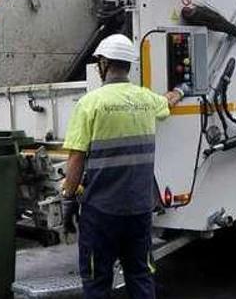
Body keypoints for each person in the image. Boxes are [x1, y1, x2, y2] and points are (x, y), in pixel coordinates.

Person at [60, 34, 185, 299]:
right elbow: (168, 102)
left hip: (101, 213)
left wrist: (68, 198)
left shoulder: (90, 104)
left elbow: (75, 160)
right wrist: (182, 90)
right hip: (139, 210)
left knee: (97, 281)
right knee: (140, 275)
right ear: (129, 65)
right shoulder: (146, 100)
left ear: (104, 64)